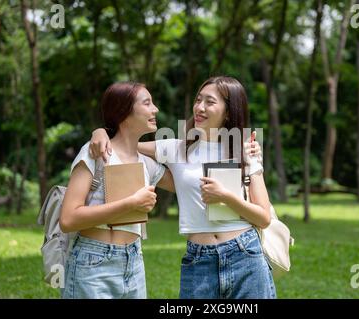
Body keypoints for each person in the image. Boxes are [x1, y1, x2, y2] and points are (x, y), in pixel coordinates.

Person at [90, 76, 275, 299]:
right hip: (199, 259)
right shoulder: (176, 149)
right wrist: (99, 132)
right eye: (199, 100)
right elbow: (123, 143)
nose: (200, 107)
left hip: (245, 254)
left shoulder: (245, 151)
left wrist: (226, 196)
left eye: (210, 102)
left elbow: (264, 217)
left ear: (228, 111)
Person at [59, 82, 175, 299]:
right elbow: (68, 219)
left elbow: (188, 179)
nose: (155, 109)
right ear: (124, 111)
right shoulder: (95, 152)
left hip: (134, 264)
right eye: (147, 103)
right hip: (92, 264)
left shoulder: (147, 164)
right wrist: (132, 204)